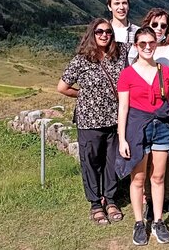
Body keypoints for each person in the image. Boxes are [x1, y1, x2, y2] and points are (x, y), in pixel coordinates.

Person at [57, 18, 131, 225]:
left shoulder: (121, 53)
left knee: (111, 162)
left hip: (115, 119)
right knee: (90, 162)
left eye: (108, 31)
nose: (104, 35)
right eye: (99, 32)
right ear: (92, 34)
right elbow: (62, 87)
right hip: (89, 120)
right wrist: (83, 95)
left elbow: (147, 42)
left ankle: (110, 199)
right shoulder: (81, 60)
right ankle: (95, 203)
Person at [116, 27, 169, 245]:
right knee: (138, 179)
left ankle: (158, 220)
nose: (147, 47)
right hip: (137, 129)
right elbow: (123, 108)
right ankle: (138, 222)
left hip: (162, 128)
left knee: (159, 177)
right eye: (142, 43)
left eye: (151, 43)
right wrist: (122, 137)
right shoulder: (127, 74)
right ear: (136, 46)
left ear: (156, 44)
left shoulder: (165, 71)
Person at [140, 8, 169, 220]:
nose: (159, 29)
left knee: (167, 158)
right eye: (155, 24)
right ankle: (149, 199)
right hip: (144, 111)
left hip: (168, 108)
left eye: (163, 25)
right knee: (148, 158)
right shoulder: (140, 46)